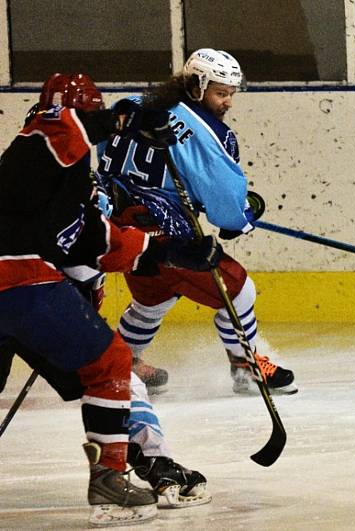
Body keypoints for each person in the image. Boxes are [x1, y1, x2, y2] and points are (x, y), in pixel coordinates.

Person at [0, 72, 221, 526]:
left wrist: (171, 252)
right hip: (21, 284)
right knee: (112, 366)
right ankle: (131, 470)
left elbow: (95, 239)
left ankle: (140, 464)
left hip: (33, 294)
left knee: (105, 367)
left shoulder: (73, 176)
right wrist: (125, 121)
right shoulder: (47, 133)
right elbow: (61, 127)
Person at [96, 48, 296, 396]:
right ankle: (245, 366)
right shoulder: (208, 133)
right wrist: (239, 219)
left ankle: (120, 362)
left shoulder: (132, 103)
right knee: (237, 289)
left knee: (153, 299)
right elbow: (224, 204)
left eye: (231, 94)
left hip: (120, 226)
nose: (228, 102)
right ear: (195, 86)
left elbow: (103, 147)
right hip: (163, 233)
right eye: (221, 93)